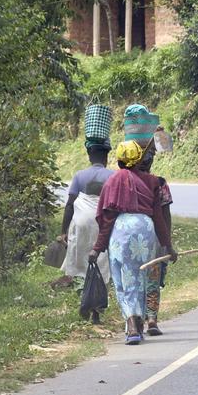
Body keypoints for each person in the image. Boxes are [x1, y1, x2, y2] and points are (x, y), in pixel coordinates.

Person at [89, 135, 177, 345]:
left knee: (123, 277)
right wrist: (167, 245)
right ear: (139, 159)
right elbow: (158, 216)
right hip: (145, 231)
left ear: (119, 161)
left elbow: (107, 217)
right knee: (143, 277)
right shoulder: (153, 181)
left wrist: (97, 248)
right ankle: (144, 321)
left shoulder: (113, 180)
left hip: (121, 231)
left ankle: (132, 326)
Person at [59, 138, 114, 323]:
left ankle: (84, 300)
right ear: (106, 157)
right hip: (102, 225)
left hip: (81, 225)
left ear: (90, 156)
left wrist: (63, 231)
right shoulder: (112, 176)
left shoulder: (79, 176)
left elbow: (69, 205)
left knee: (81, 263)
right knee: (102, 264)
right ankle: (96, 311)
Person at [137, 145, 173, 336]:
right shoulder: (159, 183)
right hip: (155, 237)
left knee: (135, 279)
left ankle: (137, 320)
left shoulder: (125, 181)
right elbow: (165, 215)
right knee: (153, 278)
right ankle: (151, 318)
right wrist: (167, 243)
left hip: (131, 238)